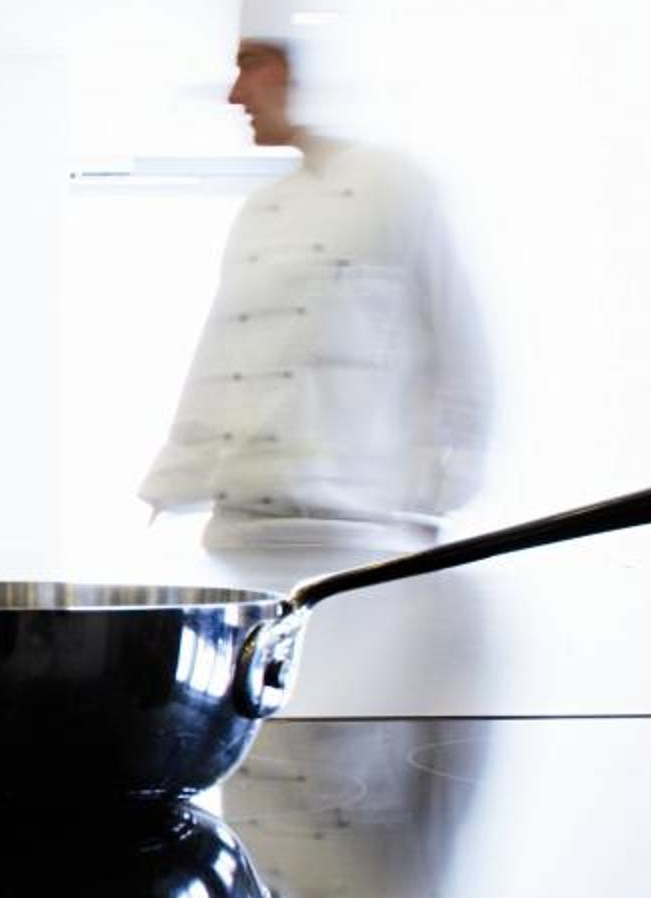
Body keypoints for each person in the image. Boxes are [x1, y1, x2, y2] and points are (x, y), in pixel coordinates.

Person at [139, 27, 492, 557]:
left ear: (306, 71)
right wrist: (179, 478)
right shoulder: (260, 211)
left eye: (251, 65)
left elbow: (464, 357)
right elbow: (219, 369)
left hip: (357, 538)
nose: (235, 95)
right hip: (236, 530)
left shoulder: (398, 186)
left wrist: (438, 496)